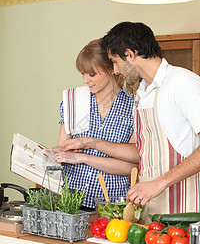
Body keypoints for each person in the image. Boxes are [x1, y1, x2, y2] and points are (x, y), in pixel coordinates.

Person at [60, 22, 200, 215]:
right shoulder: (143, 93)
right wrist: (90, 143)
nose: (115, 70)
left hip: (183, 206)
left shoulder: (182, 83)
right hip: (151, 205)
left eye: (115, 62)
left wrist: (159, 183)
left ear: (130, 55)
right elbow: (140, 153)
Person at [49, 39, 137, 210]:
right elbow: (63, 151)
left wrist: (84, 157)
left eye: (91, 74)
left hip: (111, 203)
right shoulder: (73, 100)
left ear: (111, 69)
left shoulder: (133, 107)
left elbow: (132, 166)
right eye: (82, 74)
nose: (85, 80)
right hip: (71, 199)